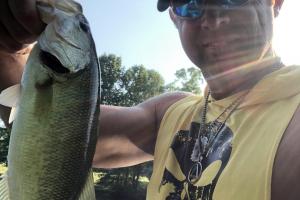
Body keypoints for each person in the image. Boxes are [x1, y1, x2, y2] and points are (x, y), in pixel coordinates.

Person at [0, 0, 299, 199]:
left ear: (275, 2)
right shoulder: (169, 114)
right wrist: (10, 47)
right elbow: (48, 130)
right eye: (190, 3)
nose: (213, 16)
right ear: (174, 18)